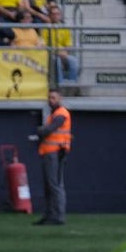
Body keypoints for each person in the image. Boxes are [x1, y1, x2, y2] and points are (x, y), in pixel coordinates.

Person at [31, 90, 70, 226]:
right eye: (49, 98)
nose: (50, 100)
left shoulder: (61, 114)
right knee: (49, 186)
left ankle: (57, 216)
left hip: (55, 153)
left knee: (55, 186)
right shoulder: (54, 114)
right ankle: (50, 215)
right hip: (50, 153)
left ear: (60, 98)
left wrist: (40, 130)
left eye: (53, 97)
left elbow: (48, 130)